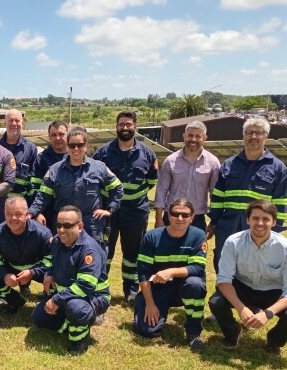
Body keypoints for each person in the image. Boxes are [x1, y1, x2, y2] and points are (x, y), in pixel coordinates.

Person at [209, 200, 287, 355]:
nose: (260, 223)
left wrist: (268, 313)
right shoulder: (233, 242)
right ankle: (232, 332)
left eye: (266, 219)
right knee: (216, 302)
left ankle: (274, 341)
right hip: (242, 286)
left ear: (274, 222)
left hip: (272, 292)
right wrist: (242, 309)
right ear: (248, 220)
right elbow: (224, 280)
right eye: (255, 218)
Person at [207, 118, 287, 273]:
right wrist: (215, 222)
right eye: (249, 132)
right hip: (227, 226)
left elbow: (281, 203)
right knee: (223, 263)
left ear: (266, 136)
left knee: (254, 267)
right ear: (243, 136)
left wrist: (274, 229)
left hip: (258, 228)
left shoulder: (278, 168)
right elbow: (217, 197)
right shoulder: (229, 165)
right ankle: (223, 294)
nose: (253, 136)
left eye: (258, 132)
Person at [29, 125, 123, 259]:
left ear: (86, 146)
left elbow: (118, 188)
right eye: (72, 145)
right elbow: (43, 196)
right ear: (67, 147)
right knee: (64, 262)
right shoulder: (55, 170)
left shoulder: (99, 168)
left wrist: (110, 210)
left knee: (93, 261)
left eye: (80, 145)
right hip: (64, 226)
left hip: (92, 224)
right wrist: (31, 212)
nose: (76, 149)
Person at [93, 111, 158, 302]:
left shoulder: (147, 153)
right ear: (116, 126)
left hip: (136, 212)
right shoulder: (103, 153)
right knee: (105, 250)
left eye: (128, 124)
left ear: (135, 126)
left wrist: (131, 197)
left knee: (133, 252)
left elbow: (152, 180)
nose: (125, 127)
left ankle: (130, 289)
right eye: (121, 124)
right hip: (108, 212)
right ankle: (100, 288)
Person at [31, 206, 110, 355]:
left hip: (93, 296)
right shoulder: (56, 241)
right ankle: (73, 321)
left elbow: (85, 286)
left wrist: (56, 300)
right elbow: (51, 261)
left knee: (76, 308)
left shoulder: (89, 250)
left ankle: (79, 339)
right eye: (58, 225)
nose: (61, 230)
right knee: (38, 318)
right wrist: (49, 273)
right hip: (67, 294)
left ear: (80, 227)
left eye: (67, 225)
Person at [133, 198, 208, 351]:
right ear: (168, 215)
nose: (180, 218)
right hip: (158, 288)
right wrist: (150, 304)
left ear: (192, 217)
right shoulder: (151, 236)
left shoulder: (198, 235)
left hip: (184, 287)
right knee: (147, 331)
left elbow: (198, 268)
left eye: (185, 215)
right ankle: (142, 308)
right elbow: (143, 272)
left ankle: (193, 332)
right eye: (175, 214)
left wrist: (171, 271)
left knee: (195, 284)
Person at [0, 196, 52, 313]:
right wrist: (5, 275)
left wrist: (32, 272)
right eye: (9, 214)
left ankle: (49, 301)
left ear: (27, 214)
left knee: (56, 276)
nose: (13, 218)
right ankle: (14, 300)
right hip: (11, 268)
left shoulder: (43, 233)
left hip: (36, 269)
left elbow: (51, 259)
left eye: (18, 214)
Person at [154, 121, 220, 231]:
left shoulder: (213, 162)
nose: (193, 139)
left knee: (195, 248)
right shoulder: (170, 161)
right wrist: (158, 219)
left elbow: (215, 194)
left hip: (197, 219)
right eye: (190, 135)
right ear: (184, 136)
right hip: (172, 216)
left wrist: (213, 221)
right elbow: (161, 191)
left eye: (198, 136)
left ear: (204, 138)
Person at [30, 120, 68, 233]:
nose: (57, 138)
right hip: (47, 212)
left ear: (68, 135)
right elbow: (34, 188)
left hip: (71, 211)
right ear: (49, 137)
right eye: (53, 135)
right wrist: (37, 212)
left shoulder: (75, 156)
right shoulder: (41, 159)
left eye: (61, 134)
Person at [0, 109, 38, 202]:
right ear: (5, 123)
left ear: (22, 123)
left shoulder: (30, 148)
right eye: (10, 120)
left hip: (20, 204)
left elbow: (33, 179)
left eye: (17, 120)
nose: (14, 123)